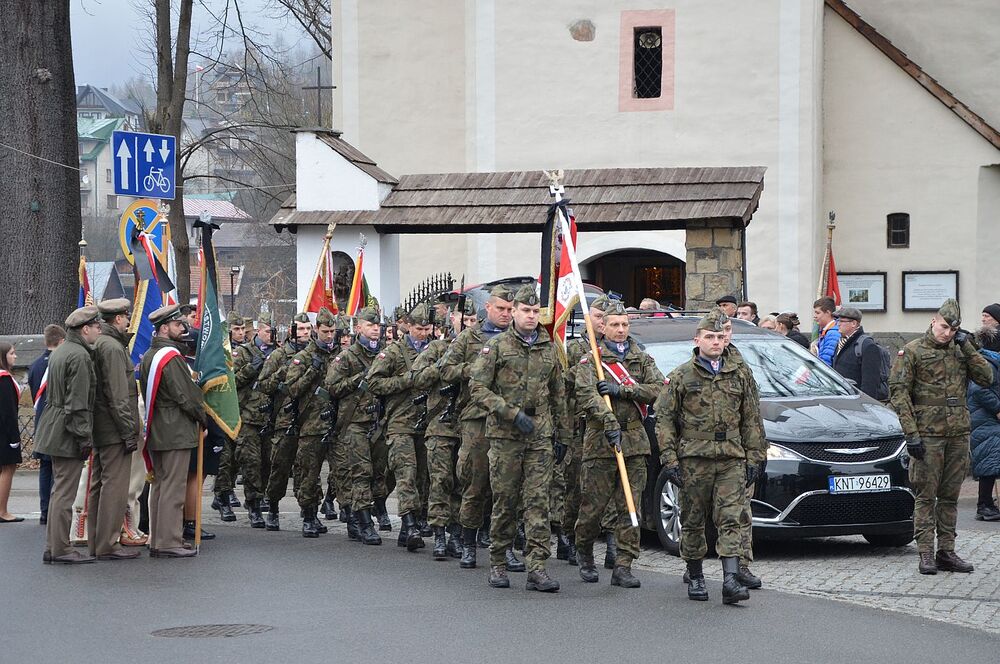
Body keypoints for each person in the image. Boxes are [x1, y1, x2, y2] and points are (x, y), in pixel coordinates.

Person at [654, 308, 766, 604]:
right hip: (694, 458)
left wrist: (755, 457)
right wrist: (670, 459)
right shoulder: (681, 376)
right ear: (698, 339)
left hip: (731, 457)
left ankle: (730, 579)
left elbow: (751, 418)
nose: (716, 342)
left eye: (720, 336)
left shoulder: (739, 373)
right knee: (693, 518)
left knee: (731, 516)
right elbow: (664, 418)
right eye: (710, 337)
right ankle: (696, 573)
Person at [469, 284, 571, 592]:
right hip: (505, 436)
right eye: (524, 311)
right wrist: (510, 413)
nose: (529, 316)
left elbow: (558, 394)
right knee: (506, 501)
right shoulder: (497, 346)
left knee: (538, 501)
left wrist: (563, 434)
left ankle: (537, 567)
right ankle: (499, 561)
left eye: (533, 311)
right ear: (513, 312)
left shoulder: (549, 347)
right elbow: (477, 389)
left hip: (540, 436)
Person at [889, 299, 992, 574]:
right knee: (925, 496)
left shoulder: (961, 351)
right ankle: (926, 553)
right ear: (934, 321)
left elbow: (987, 378)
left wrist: (967, 347)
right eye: (944, 326)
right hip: (928, 435)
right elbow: (899, 394)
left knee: (949, 497)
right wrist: (911, 434)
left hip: (958, 434)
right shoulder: (912, 351)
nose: (946, 333)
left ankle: (947, 550)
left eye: (952, 329)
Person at [574, 299, 663, 588]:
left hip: (635, 441)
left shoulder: (642, 358)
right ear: (604, 327)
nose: (621, 329)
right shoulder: (592, 361)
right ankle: (585, 552)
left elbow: (657, 390)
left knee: (630, 505)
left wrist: (623, 390)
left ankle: (623, 564)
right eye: (614, 324)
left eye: (625, 324)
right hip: (601, 440)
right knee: (593, 507)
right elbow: (586, 395)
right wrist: (606, 417)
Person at [438, 285, 514, 569]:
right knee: (475, 482)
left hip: (508, 419)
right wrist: (477, 369)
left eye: (510, 310)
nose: (506, 314)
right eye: (501, 309)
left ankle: (503, 545)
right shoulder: (470, 337)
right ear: (488, 309)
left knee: (506, 487)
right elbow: (445, 369)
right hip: (477, 418)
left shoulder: (519, 339)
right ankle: (468, 541)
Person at [411, 298, 479, 559]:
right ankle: (439, 534)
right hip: (441, 424)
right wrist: (443, 368)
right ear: (452, 319)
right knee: (440, 480)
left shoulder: (481, 350)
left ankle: (456, 534)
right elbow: (417, 377)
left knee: (464, 481)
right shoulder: (438, 348)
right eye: (465, 320)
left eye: (473, 321)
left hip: (469, 425)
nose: (468, 325)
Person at [34, 306, 101, 563]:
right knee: (65, 492)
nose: (98, 330)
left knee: (58, 491)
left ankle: (54, 546)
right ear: (85, 329)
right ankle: (60, 548)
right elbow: (77, 403)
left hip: (55, 424)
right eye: (96, 326)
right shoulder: (80, 356)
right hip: (67, 430)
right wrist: (84, 437)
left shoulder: (63, 350)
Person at [140, 304, 206, 558]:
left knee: (160, 485)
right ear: (165, 328)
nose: (183, 328)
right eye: (179, 325)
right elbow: (186, 396)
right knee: (173, 487)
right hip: (174, 427)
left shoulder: (150, 355)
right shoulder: (171, 357)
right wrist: (203, 418)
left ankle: (159, 538)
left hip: (159, 425)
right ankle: (169, 541)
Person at [368, 303, 435, 551]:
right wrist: (405, 381)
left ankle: (413, 524)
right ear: (408, 327)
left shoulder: (435, 350)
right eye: (419, 328)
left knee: (421, 478)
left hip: (426, 422)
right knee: (405, 475)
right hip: (400, 423)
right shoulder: (394, 352)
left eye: (427, 328)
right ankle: (409, 525)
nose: (423, 333)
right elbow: (373, 383)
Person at [326, 306, 386, 545]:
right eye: (370, 326)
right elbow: (332, 387)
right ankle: (364, 522)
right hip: (354, 424)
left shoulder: (384, 354)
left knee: (378, 474)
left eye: (377, 326)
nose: (375, 330)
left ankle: (355, 515)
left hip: (378, 423)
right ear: (358, 327)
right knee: (361, 473)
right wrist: (359, 378)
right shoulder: (347, 357)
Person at [87, 298, 141, 560]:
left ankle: (98, 541)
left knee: (100, 484)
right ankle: (108, 543)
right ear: (118, 319)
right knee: (114, 487)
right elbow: (119, 396)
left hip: (104, 426)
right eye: (126, 316)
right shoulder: (112, 348)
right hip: (114, 428)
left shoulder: (103, 343)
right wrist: (128, 430)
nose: (128, 320)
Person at [283, 307, 341, 537]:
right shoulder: (303, 357)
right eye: (325, 331)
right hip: (311, 423)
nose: (329, 335)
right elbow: (293, 389)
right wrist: (311, 371)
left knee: (344, 471)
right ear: (317, 330)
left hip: (337, 422)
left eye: (332, 331)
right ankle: (309, 515)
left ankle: (352, 514)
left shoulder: (341, 356)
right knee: (309, 472)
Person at [261, 313, 313, 531]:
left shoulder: (316, 354)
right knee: (280, 466)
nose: (305, 333)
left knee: (309, 469)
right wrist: (284, 371)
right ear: (292, 330)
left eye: (308, 329)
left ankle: (310, 513)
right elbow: (264, 385)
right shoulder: (279, 355)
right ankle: (272, 507)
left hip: (311, 417)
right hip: (285, 418)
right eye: (300, 329)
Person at [233, 312, 278, 528]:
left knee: (268, 463)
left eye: (273, 331)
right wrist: (252, 367)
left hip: (271, 417)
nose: (271, 335)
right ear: (259, 330)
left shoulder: (278, 353)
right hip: (249, 417)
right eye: (268, 331)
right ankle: (253, 505)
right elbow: (232, 381)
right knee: (251, 463)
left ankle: (266, 499)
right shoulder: (243, 353)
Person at [211, 311, 248, 519]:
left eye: (243, 329)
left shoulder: (249, 350)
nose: (240, 333)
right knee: (224, 459)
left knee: (236, 458)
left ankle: (227, 491)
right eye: (236, 329)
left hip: (244, 411)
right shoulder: (221, 352)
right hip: (225, 411)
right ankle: (222, 497)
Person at [28, 324, 65, 525]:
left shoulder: (34, 365)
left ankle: (45, 509)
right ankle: (55, 510)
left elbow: (34, 394)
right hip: (57, 420)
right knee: (59, 468)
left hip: (41, 419)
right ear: (62, 341)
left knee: (45, 467)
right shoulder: (62, 362)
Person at [968, 328, 1000, 521]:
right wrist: (997, 408)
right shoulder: (987, 361)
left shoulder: (991, 359)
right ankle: (984, 505)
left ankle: (987, 504)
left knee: (992, 459)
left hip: (988, 418)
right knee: (988, 459)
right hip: (985, 418)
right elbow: (979, 388)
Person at [831, 307, 884, 400]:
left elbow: (870, 383)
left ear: (854, 323)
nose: (838, 324)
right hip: (842, 399)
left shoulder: (867, 346)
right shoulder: (840, 343)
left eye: (841, 321)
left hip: (857, 403)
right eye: (838, 320)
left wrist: (865, 404)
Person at [0, 341, 25, 523]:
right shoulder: (5, 379)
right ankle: (2, 511)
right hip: (4, 433)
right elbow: (8, 412)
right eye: (11, 353)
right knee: (8, 469)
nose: (15, 356)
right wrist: (14, 438)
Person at [812, 297, 841, 366]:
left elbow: (826, 362)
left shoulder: (833, 333)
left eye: (818, 313)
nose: (814, 316)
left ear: (828, 313)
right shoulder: (826, 331)